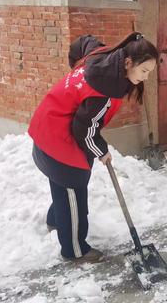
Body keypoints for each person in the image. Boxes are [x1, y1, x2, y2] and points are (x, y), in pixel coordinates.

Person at [29, 32, 158, 263]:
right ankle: (74, 250)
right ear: (128, 63)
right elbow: (84, 130)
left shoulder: (102, 59)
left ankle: (56, 219)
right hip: (58, 140)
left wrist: (75, 67)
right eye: (144, 71)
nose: (146, 78)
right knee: (74, 191)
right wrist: (101, 151)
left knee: (61, 185)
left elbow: (84, 41)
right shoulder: (104, 90)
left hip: (45, 127)